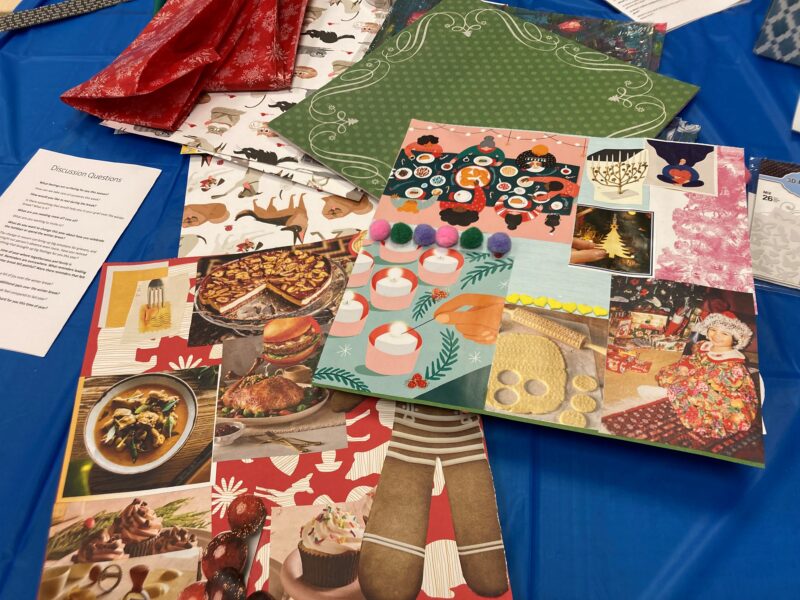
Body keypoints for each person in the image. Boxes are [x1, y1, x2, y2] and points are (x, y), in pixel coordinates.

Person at [655, 311, 758, 439]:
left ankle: (673, 393)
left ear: (735, 339)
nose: (716, 336)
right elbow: (694, 359)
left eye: (724, 333)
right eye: (713, 330)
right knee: (670, 371)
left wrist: (695, 380)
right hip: (701, 372)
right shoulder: (705, 346)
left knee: (691, 387)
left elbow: (723, 387)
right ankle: (675, 390)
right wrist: (685, 366)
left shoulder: (733, 364)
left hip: (722, 390)